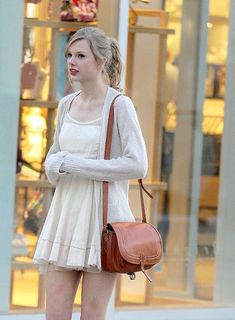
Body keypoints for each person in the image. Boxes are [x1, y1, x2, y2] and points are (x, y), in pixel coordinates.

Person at [33, 26, 148, 320]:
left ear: (100, 62)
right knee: (54, 315)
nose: (71, 61)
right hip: (65, 216)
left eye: (81, 55)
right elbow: (53, 163)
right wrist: (56, 166)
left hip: (103, 222)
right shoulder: (66, 105)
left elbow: (137, 165)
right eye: (69, 54)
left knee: (92, 315)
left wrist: (74, 164)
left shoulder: (119, 105)